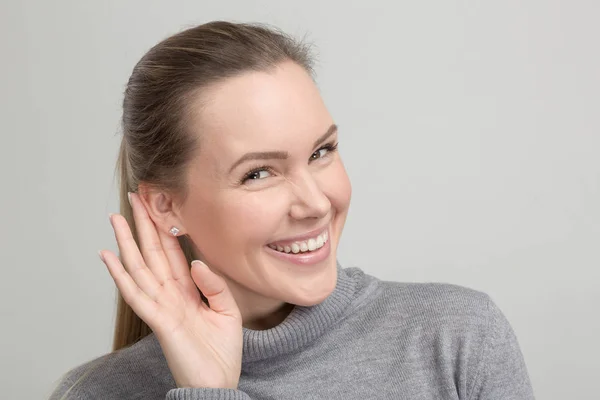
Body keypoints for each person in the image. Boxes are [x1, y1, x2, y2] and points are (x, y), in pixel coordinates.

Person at [49, 21, 535, 399]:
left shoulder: (456, 338)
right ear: (164, 205)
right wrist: (209, 392)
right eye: (259, 173)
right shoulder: (95, 394)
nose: (316, 203)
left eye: (321, 152)